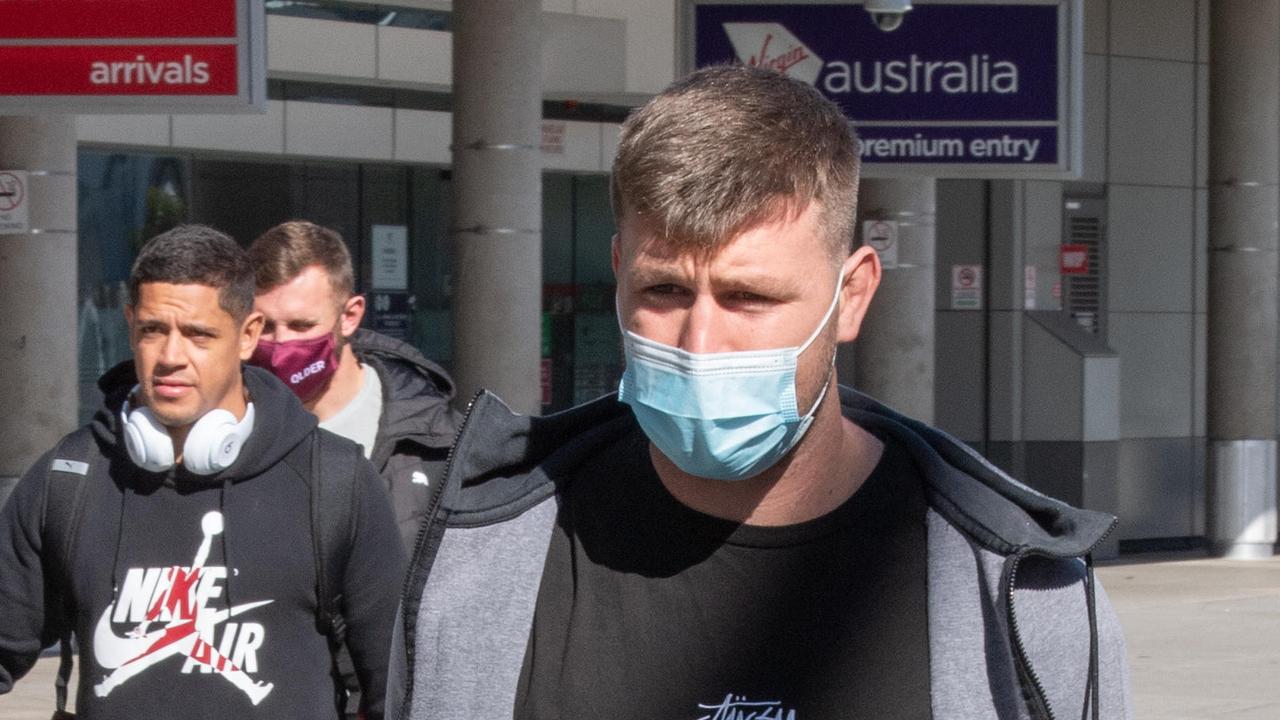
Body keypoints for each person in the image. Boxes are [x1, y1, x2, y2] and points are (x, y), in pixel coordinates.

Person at [386, 65, 1131, 720]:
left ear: (852, 296)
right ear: (619, 272)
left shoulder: (1023, 594)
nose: (699, 342)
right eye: (664, 289)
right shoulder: (475, 562)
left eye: (748, 297)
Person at [0, 225, 404, 719]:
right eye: (153, 330)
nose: (171, 357)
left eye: (199, 335)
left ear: (248, 335)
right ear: (129, 325)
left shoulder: (334, 481)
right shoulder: (71, 478)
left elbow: (398, 687)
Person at [248, 221, 461, 552]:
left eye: (302, 325)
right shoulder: (222, 430)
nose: (281, 344)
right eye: (264, 327)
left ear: (350, 316)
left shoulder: (434, 440)